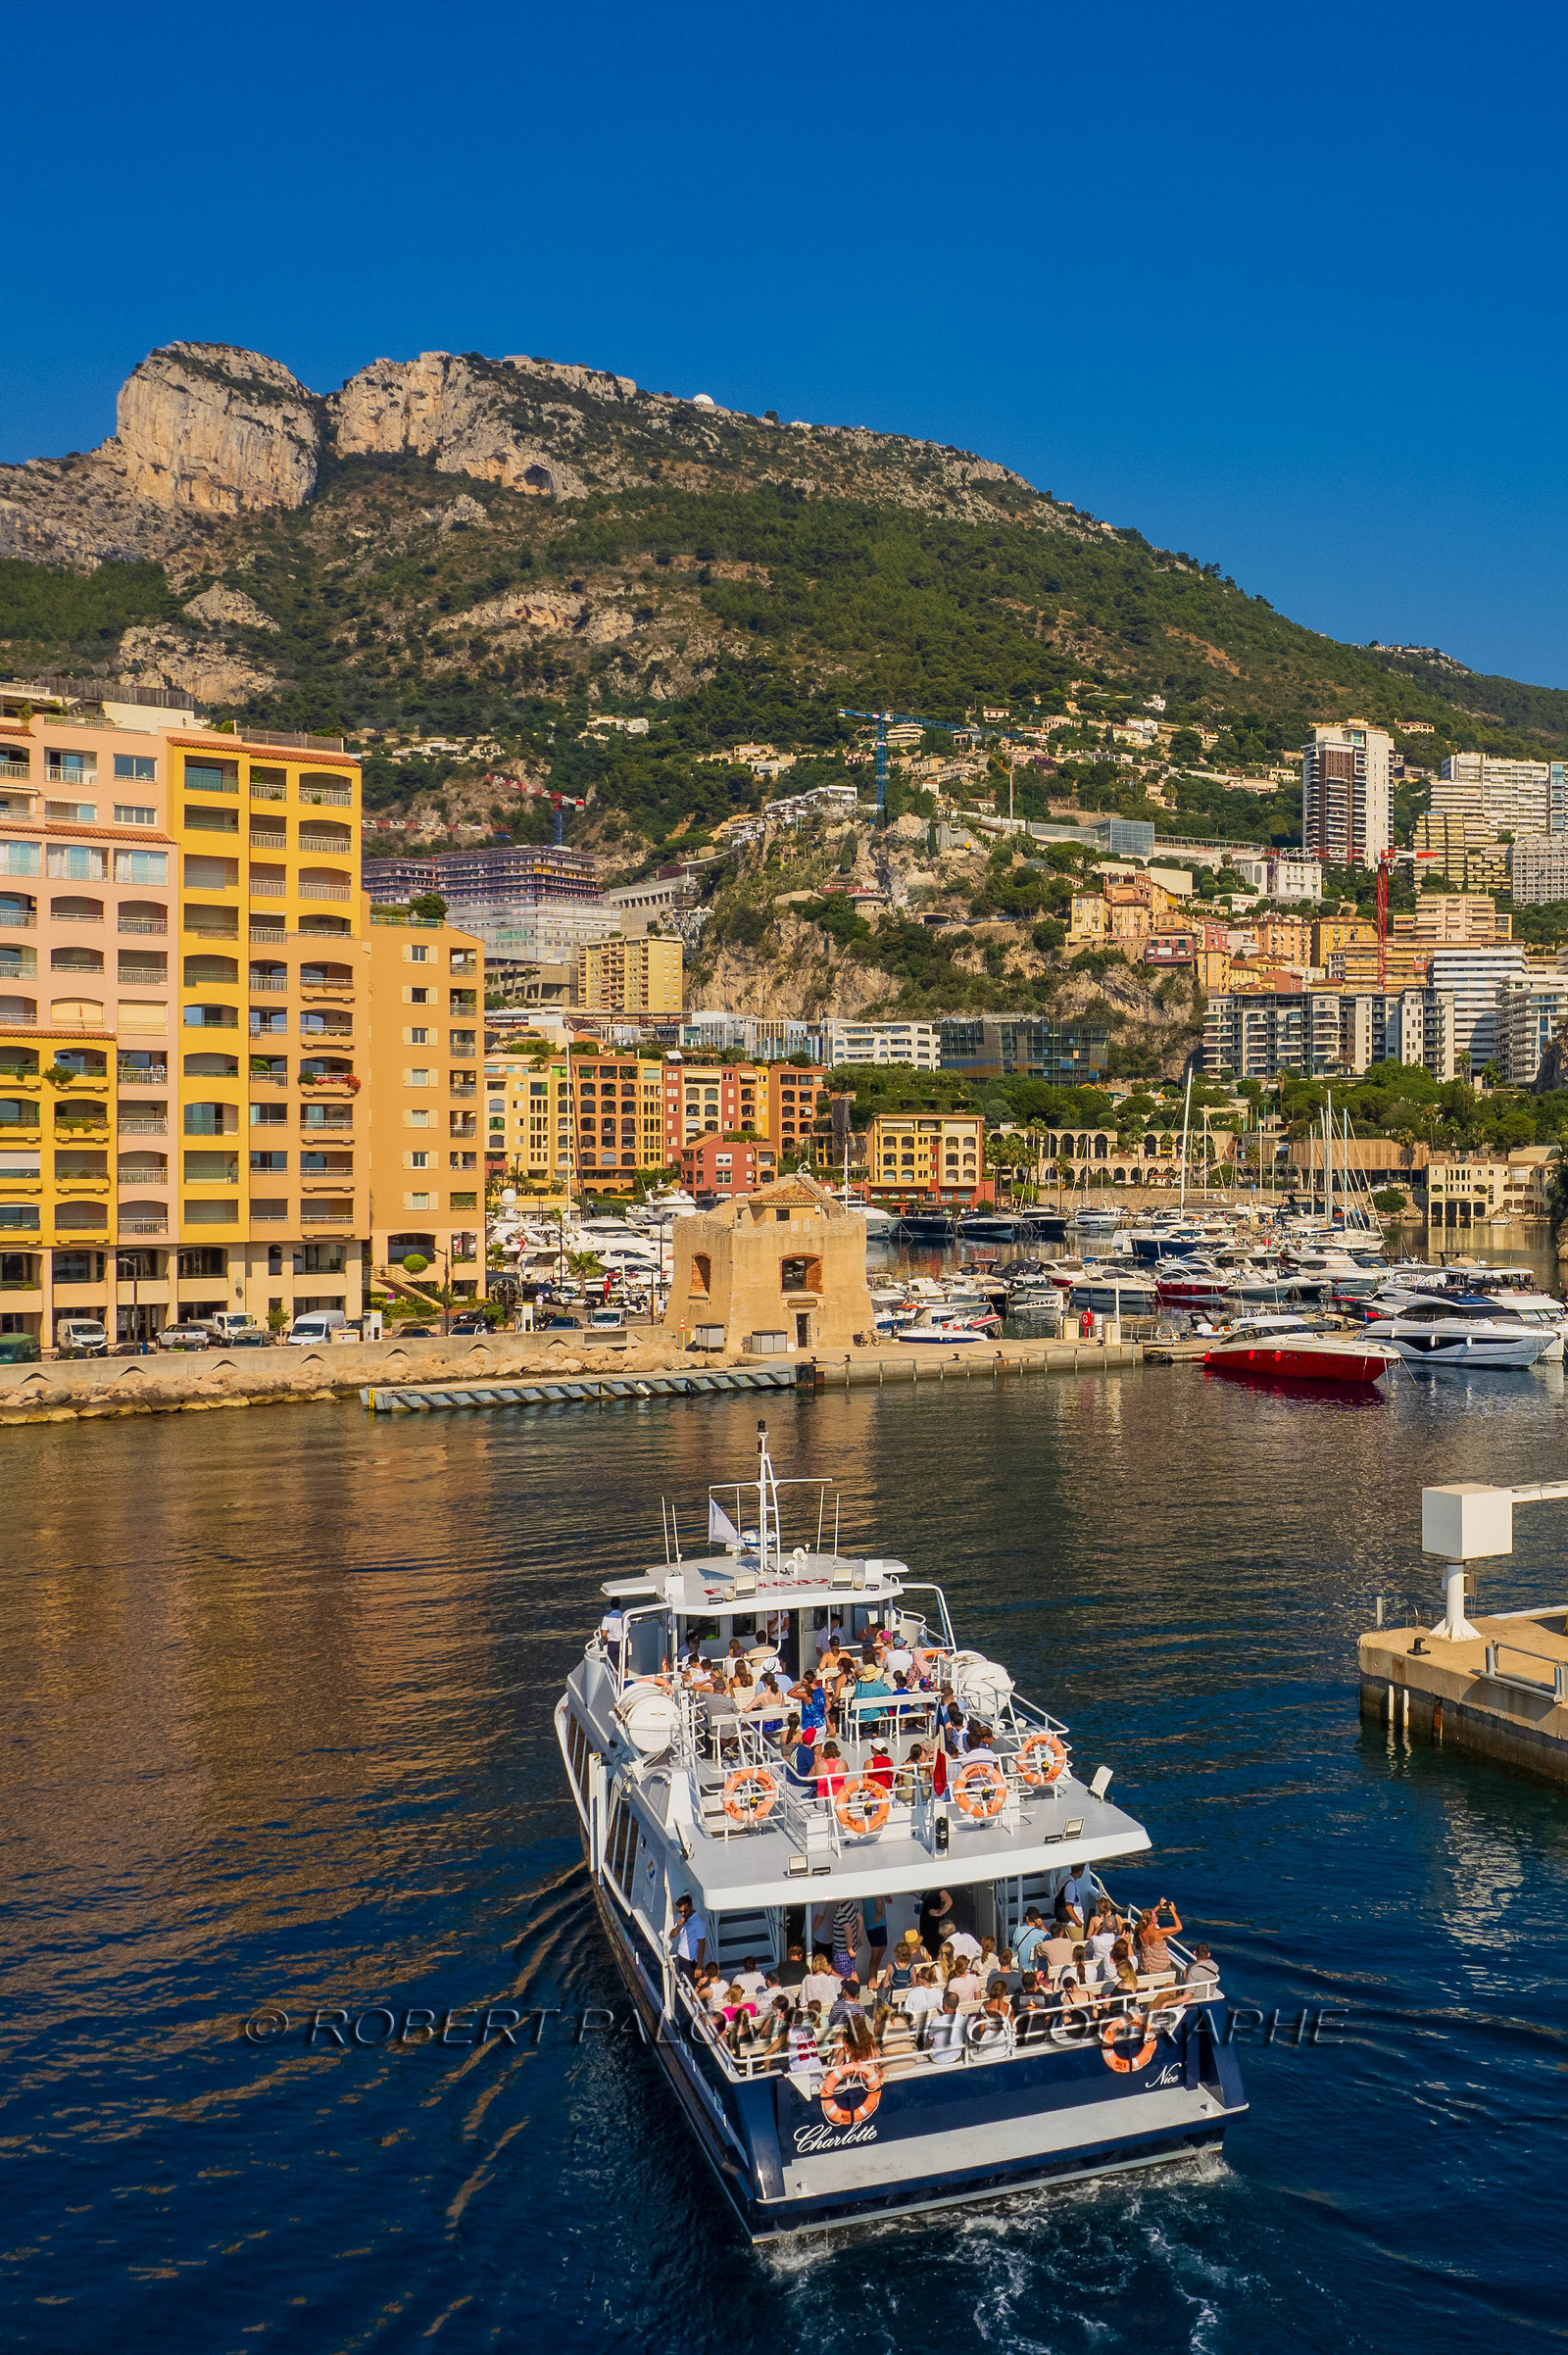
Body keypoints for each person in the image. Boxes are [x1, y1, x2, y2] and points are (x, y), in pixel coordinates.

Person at [1136, 1897, 1184, 1976]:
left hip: (1146, 1966)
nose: (1157, 1917)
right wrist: (1173, 1912)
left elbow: (1145, 1918)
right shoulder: (1158, 1933)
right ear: (1153, 1920)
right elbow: (1179, 1927)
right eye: (1156, 1916)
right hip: (1160, 1968)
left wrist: (1159, 1906)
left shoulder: (1141, 1930)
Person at [670, 1894, 709, 1972]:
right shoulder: (682, 1918)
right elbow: (672, 1935)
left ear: (691, 1907)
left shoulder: (698, 1923)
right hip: (681, 1955)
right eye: (680, 1912)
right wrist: (678, 1926)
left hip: (690, 1960)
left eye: (685, 1911)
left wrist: (699, 1967)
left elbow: (702, 1944)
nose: (683, 1914)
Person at [1013, 1970, 1050, 2045]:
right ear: (1035, 1983)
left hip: (1021, 2036)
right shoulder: (1044, 1997)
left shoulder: (1015, 1999)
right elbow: (1048, 2017)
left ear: (1023, 1984)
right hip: (1040, 2035)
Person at [831, 1895, 862, 1981]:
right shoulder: (850, 1905)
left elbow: (848, 1931)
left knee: (844, 1978)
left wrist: (849, 1949)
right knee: (853, 1972)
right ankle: (856, 1989)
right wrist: (858, 1937)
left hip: (842, 1952)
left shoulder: (840, 1913)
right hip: (853, 1947)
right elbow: (860, 1919)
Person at [1056, 1860, 1095, 1931]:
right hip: (1072, 1924)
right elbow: (1068, 1906)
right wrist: (1077, 1921)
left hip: (1065, 1920)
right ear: (1080, 1872)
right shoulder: (1070, 1885)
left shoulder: (1065, 1879)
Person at [1013, 1907, 1048, 1972]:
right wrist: (1042, 1926)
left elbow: (1015, 1949)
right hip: (1037, 1970)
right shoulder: (1042, 1934)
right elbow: (1053, 1941)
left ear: (1027, 1918)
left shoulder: (1018, 1930)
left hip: (1022, 1968)